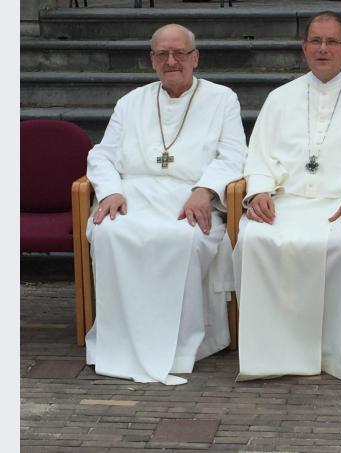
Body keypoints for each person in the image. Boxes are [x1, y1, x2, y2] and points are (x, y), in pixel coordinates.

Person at [232, 11, 341, 383]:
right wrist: (259, 189)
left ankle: (334, 352)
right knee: (255, 238)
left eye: (331, 42)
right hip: (287, 201)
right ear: (304, 47)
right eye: (315, 41)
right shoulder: (280, 98)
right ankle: (273, 352)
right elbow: (257, 154)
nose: (323, 49)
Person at [85, 24, 247, 385]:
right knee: (109, 232)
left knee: (184, 239)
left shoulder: (223, 99)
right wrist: (110, 191)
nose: (171, 61)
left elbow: (234, 155)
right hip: (132, 196)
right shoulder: (131, 102)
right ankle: (120, 340)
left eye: (179, 54)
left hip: (189, 199)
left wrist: (205, 190)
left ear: (195, 57)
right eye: (162, 54)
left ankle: (178, 345)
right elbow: (102, 155)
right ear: (152, 60)